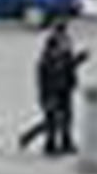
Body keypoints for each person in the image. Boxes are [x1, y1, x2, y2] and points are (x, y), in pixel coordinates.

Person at [19, 23, 85, 156]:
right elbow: (47, 77)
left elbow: (68, 66)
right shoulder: (48, 57)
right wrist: (47, 96)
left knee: (66, 118)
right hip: (53, 91)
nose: (67, 44)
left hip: (65, 88)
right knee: (52, 121)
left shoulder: (64, 49)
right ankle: (45, 143)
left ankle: (66, 142)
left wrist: (78, 60)